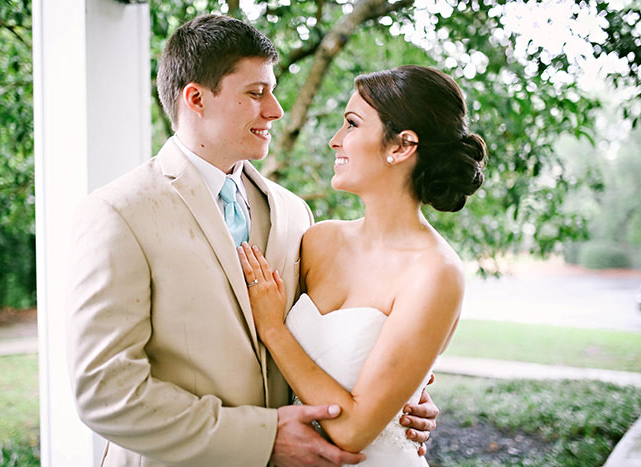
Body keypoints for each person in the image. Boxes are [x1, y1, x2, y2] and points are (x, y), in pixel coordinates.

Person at [66, 14, 438, 467]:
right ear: (196, 98)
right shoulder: (118, 212)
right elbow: (105, 391)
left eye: (274, 90)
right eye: (255, 93)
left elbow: (317, 340)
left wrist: (396, 400)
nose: (276, 109)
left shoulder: (293, 213)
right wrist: (261, 438)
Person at [238, 65, 487, 465]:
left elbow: (353, 431)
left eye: (352, 124)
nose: (336, 141)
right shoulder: (319, 240)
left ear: (401, 146)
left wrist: (273, 328)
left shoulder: (436, 273)